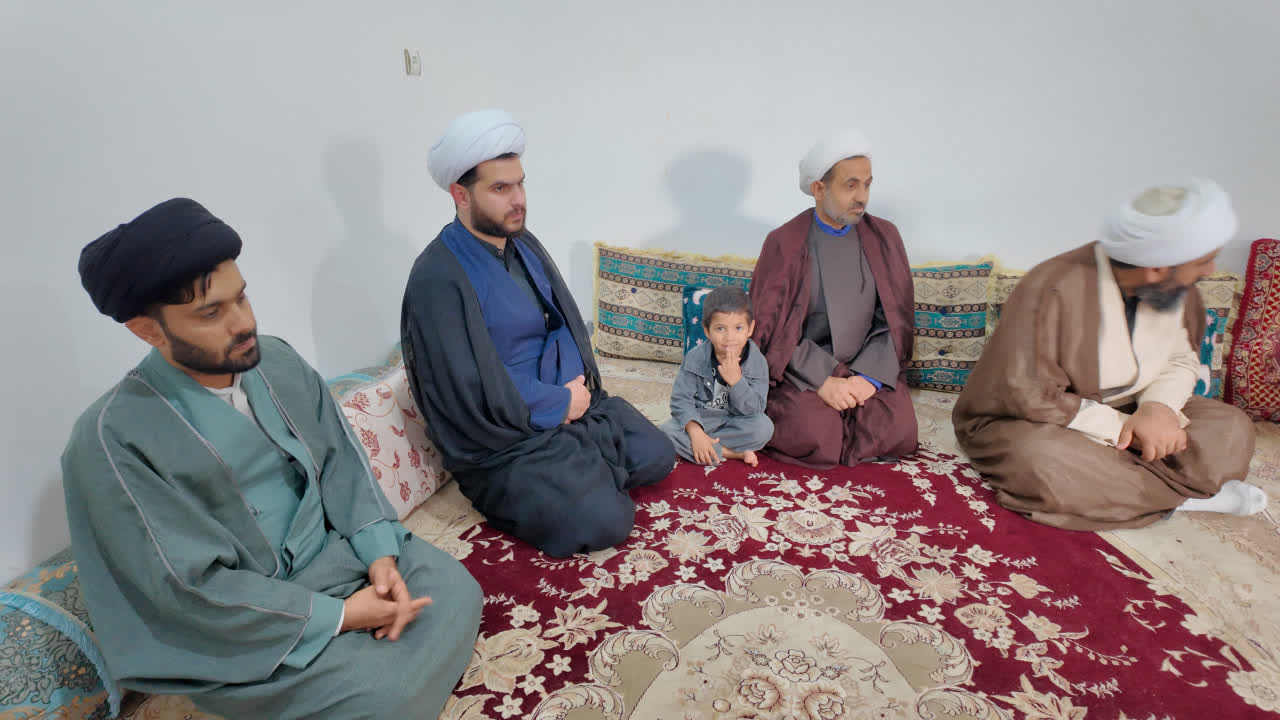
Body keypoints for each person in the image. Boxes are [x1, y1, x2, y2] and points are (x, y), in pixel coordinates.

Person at [63, 198, 482, 720]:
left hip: (340, 558)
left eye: (242, 297)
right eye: (211, 313)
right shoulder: (110, 440)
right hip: (252, 620)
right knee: (384, 700)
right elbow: (185, 588)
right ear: (147, 330)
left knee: (460, 592)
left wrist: (380, 557)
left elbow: (342, 463)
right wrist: (340, 617)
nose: (243, 323)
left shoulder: (276, 360)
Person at [401, 110, 674, 558]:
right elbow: (463, 387)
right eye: (500, 189)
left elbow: (560, 325)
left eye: (520, 184)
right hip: (502, 439)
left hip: (560, 396)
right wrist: (559, 404)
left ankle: (578, 464)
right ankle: (571, 473)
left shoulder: (521, 243)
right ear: (460, 195)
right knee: (606, 520)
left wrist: (572, 392)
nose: (518, 200)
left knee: (658, 453)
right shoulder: (437, 277)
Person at [953, 179, 1265, 530]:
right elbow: (1028, 396)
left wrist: (1158, 410)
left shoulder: (1174, 287)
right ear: (1157, 267)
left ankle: (1131, 492)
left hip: (1134, 405)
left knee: (1232, 428)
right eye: (1203, 261)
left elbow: (1180, 358)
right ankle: (1185, 498)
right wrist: (1126, 429)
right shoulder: (1052, 288)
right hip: (1038, 419)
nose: (1210, 271)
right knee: (1040, 463)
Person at [750, 128, 918, 468]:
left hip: (865, 363)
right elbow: (772, 332)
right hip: (802, 369)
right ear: (819, 189)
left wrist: (868, 379)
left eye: (867, 185)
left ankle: (854, 404)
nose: (862, 197)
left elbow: (893, 319)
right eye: (850, 185)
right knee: (814, 435)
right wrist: (823, 381)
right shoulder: (784, 242)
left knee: (898, 431)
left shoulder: (885, 237)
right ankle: (829, 420)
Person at [661, 286, 773, 467]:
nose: (730, 338)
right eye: (720, 329)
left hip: (735, 420)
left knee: (764, 428)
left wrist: (736, 382)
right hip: (703, 418)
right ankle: (730, 453)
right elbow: (680, 400)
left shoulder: (757, 362)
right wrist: (695, 432)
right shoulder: (695, 357)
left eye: (738, 328)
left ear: (750, 328)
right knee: (666, 432)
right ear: (707, 330)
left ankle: (707, 448)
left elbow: (755, 409)